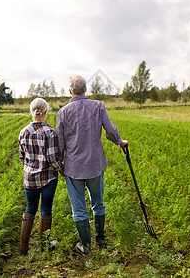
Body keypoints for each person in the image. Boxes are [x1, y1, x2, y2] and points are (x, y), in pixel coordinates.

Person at [56, 75, 128, 256]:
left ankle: (86, 246)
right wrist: (120, 142)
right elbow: (110, 130)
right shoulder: (98, 106)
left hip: (73, 167)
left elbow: (60, 143)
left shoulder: (63, 112)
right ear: (85, 90)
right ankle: (101, 240)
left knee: (79, 208)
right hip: (95, 165)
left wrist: (59, 164)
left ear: (70, 92)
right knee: (98, 203)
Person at [18, 98, 64, 255]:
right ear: (46, 112)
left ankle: (23, 247)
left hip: (29, 178)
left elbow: (22, 157)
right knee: (45, 209)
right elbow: (52, 159)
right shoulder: (50, 132)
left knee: (30, 208)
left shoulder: (23, 132)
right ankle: (44, 247)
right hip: (48, 179)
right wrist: (61, 170)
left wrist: (31, 166)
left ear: (31, 112)